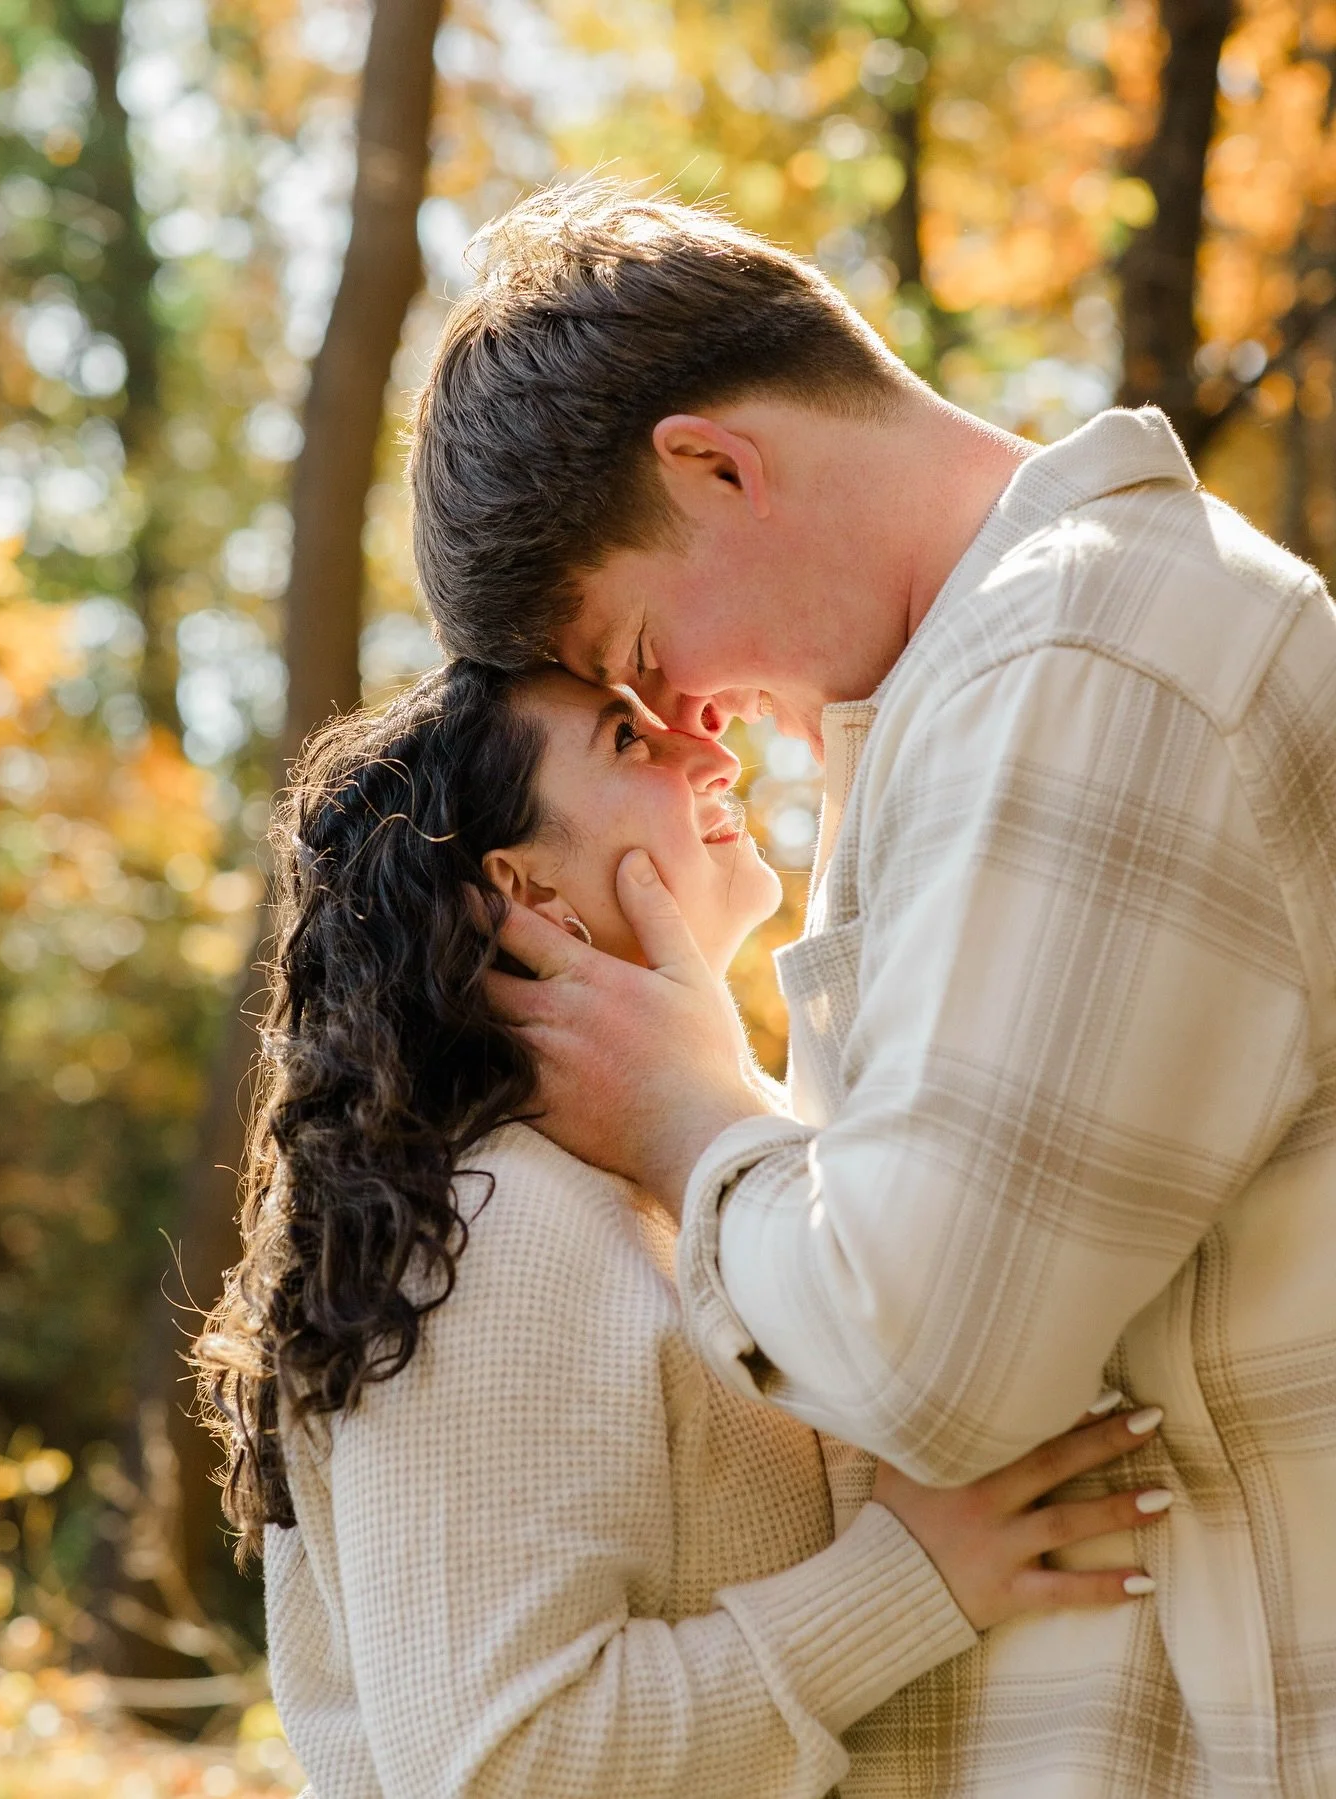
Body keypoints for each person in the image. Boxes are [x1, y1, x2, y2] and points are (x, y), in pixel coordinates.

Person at [407, 184, 1336, 1796]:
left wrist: (690, 1115)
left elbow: (937, 1358)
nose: (688, 721)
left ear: (715, 464)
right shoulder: (982, 696)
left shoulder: (1080, 662)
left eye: (641, 653)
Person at [196, 661, 1168, 1799]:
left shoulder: (647, 1179)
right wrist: (909, 1581)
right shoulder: (491, 1221)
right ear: (522, 888)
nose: (711, 751)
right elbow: (499, 1763)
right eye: (627, 740)